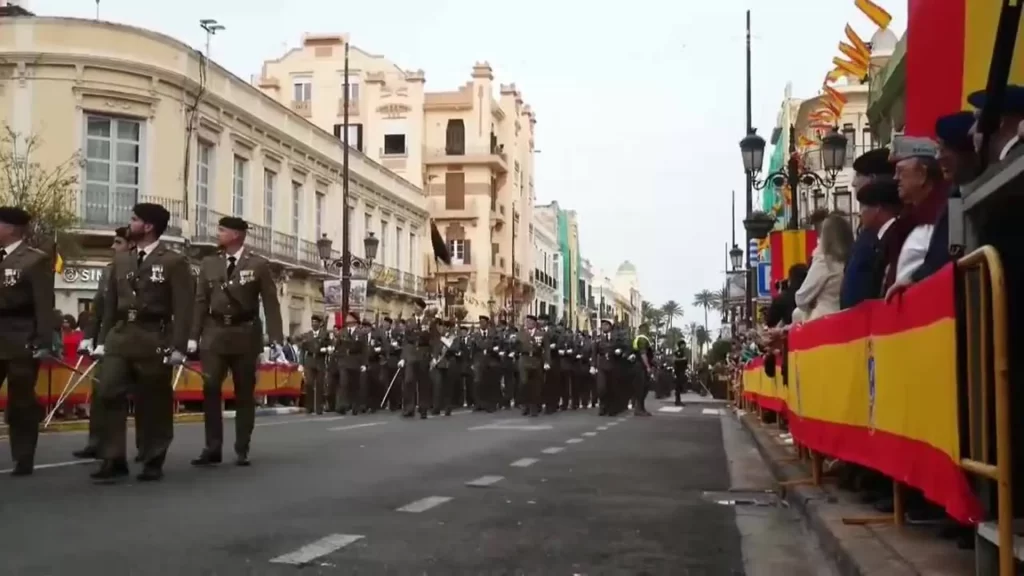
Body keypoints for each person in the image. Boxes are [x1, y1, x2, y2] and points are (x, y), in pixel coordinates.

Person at [93, 203, 193, 483]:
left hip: (154, 336)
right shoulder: (122, 260)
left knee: (152, 402)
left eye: (135, 219)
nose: (130, 222)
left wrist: (179, 346)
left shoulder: (173, 261)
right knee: (108, 392)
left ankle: (152, 457)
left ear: (148, 226)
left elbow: (184, 307)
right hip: (121, 334)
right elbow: (111, 306)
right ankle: (112, 457)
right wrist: (101, 340)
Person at [189, 216, 283, 467]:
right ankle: (212, 447)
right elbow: (200, 301)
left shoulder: (258, 265)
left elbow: (271, 303)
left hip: (245, 333)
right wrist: (192, 336)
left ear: (237, 235)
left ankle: (242, 447)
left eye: (222, 230)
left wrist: (275, 339)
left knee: (243, 393)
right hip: (214, 332)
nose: (217, 233)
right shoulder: (209, 263)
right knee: (210, 389)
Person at [0, 207, 54, 476]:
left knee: (21, 402)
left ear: (11, 228)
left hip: (21, 337)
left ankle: (23, 457)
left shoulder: (34, 260)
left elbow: (44, 305)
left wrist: (43, 341)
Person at [74, 226, 132, 460]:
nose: (112, 247)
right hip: (109, 340)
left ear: (131, 246)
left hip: (136, 336)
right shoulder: (108, 272)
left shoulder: (141, 270)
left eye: (118, 243)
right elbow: (98, 308)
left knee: (145, 395)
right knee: (101, 391)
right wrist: (89, 337)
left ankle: (147, 448)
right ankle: (96, 442)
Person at [841, 177, 902, 309]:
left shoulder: (894, 237)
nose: (860, 213)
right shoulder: (880, 239)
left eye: (863, 207)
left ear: (878, 209)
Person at [795, 214, 853, 322]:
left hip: (822, 321)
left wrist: (812, 301)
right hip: (845, 319)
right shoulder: (851, 259)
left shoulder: (824, 262)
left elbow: (801, 298)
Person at [516, 314, 550, 417]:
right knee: (524, 383)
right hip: (524, 360)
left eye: (529, 321)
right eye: (526, 321)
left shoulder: (542, 334)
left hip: (536, 360)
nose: (527, 323)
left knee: (535, 385)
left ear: (534, 323)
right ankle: (525, 405)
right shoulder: (521, 334)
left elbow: (546, 349)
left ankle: (534, 407)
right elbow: (516, 346)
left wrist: (547, 362)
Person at [298, 313, 332, 414]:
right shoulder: (307, 335)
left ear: (319, 324)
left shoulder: (324, 334)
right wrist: (301, 364)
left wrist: (326, 349)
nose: (314, 324)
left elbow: (330, 346)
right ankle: (309, 407)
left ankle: (319, 408)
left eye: (316, 322)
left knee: (320, 385)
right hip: (309, 360)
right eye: (312, 322)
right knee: (309, 384)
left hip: (320, 361)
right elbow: (302, 350)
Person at [630, 323, 654, 416]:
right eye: (647, 329)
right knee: (641, 388)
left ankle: (641, 408)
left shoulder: (639, 338)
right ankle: (639, 409)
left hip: (638, 366)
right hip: (640, 367)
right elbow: (643, 354)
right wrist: (648, 367)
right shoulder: (642, 339)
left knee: (644, 387)